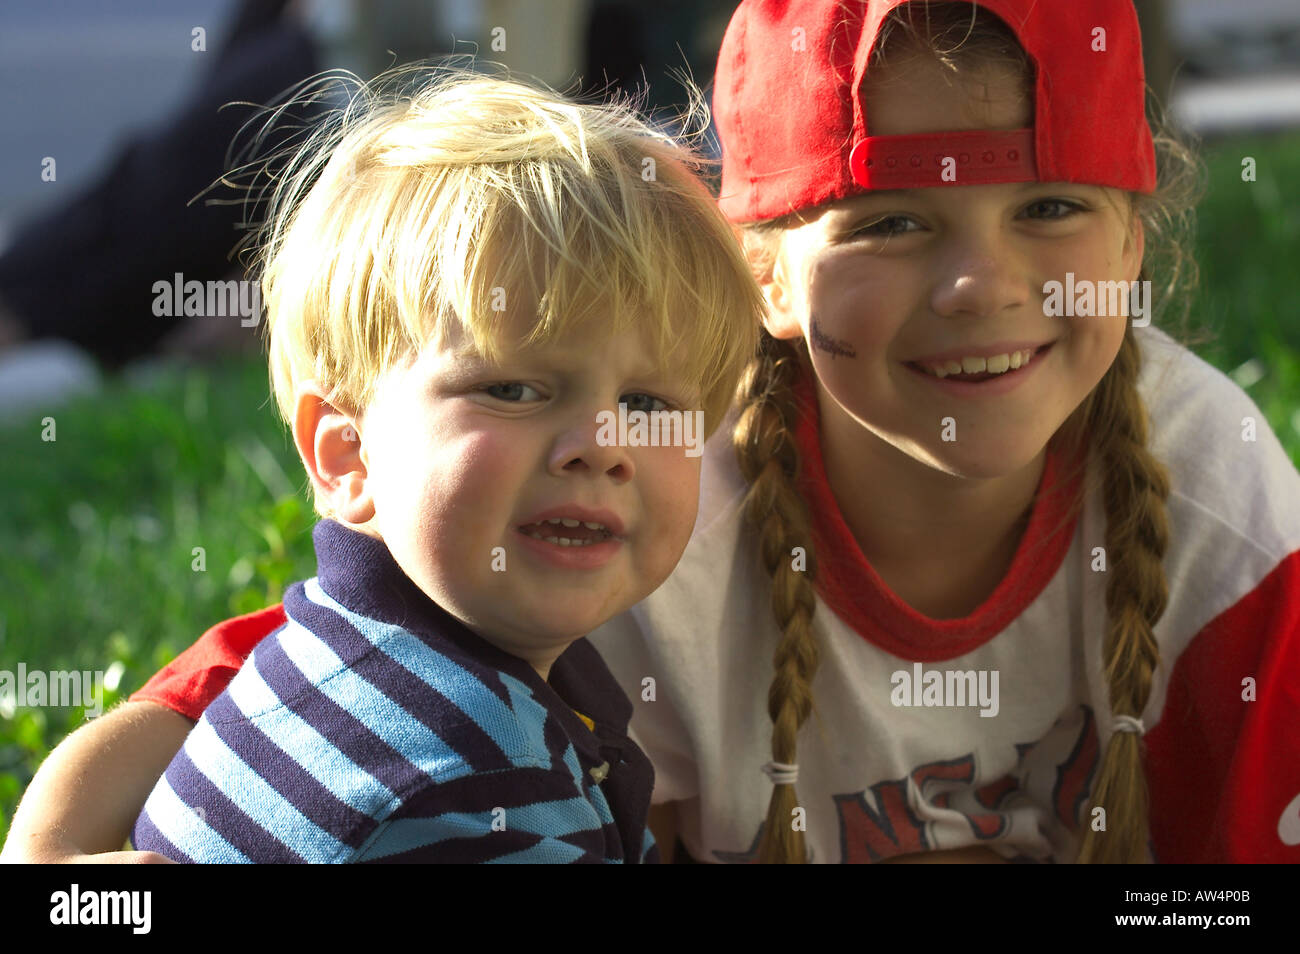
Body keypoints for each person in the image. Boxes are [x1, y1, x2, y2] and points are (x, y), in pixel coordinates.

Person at [6, 0, 1299, 865]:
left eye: (1055, 208)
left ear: (1136, 241)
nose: (980, 283)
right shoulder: (645, 483)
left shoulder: (1218, 492)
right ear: (763, 279)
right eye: (890, 220)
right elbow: (335, 654)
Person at [6, 64, 763, 864]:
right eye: (512, 388)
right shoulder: (460, 785)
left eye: (647, 405)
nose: (602, 446)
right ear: (347, 455)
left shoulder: (340, 643)